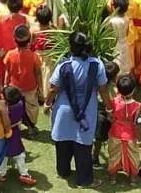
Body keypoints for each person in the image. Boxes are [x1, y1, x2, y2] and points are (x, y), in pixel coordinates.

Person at [45, 32, 112, 188]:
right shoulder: (97, 65)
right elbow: (103, 89)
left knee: (63, 142)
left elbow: (54, 89)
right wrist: (109, 107)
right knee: (83, 145)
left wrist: (47, 104)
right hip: (87, 111)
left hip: (64, 110)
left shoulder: (63, 65)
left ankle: (63, 171)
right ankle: (84, 179)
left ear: (70, 47)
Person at [3, 24, 43, 133]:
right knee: (31, 109)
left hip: (14, 87)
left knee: (14, 108)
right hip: (30, 88)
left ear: (14, 41)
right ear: (29, 40)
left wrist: (6, 86)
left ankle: (15, 127)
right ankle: (30, 127)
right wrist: (40, 89)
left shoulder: (10, 54)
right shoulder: (34, 56)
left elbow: (7, 71)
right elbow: (38, 74)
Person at [0, 86, 37, 185]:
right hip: (15, 134)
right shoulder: (20, 105)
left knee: (3, 156)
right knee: (19, 155)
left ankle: (2, 174)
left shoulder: (5, 110)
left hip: (5, 135)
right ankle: (24, 173)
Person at [107, 75, 141, 186]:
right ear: (133, 90)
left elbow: (110, 117)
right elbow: (137, 123)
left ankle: (112, 178)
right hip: (130, 134)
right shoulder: (137, 105)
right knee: (133, 155)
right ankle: (133, 180)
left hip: (115, 132)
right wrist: (139, 137)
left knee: (114, 155)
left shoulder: (114, 102)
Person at [0, 0, 27, 80]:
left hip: (4, 53)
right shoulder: (24, 20)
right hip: (18, 53)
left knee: (3, 76)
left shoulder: (1, 19)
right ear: (20, 7)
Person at [105, 0, 132, 75]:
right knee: (124, 64)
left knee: (115, 65)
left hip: (114, 46)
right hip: (124, 43)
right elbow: (127, 33)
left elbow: (108, 35)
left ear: (114, 7)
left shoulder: (110, 20)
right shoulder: (127, 18)